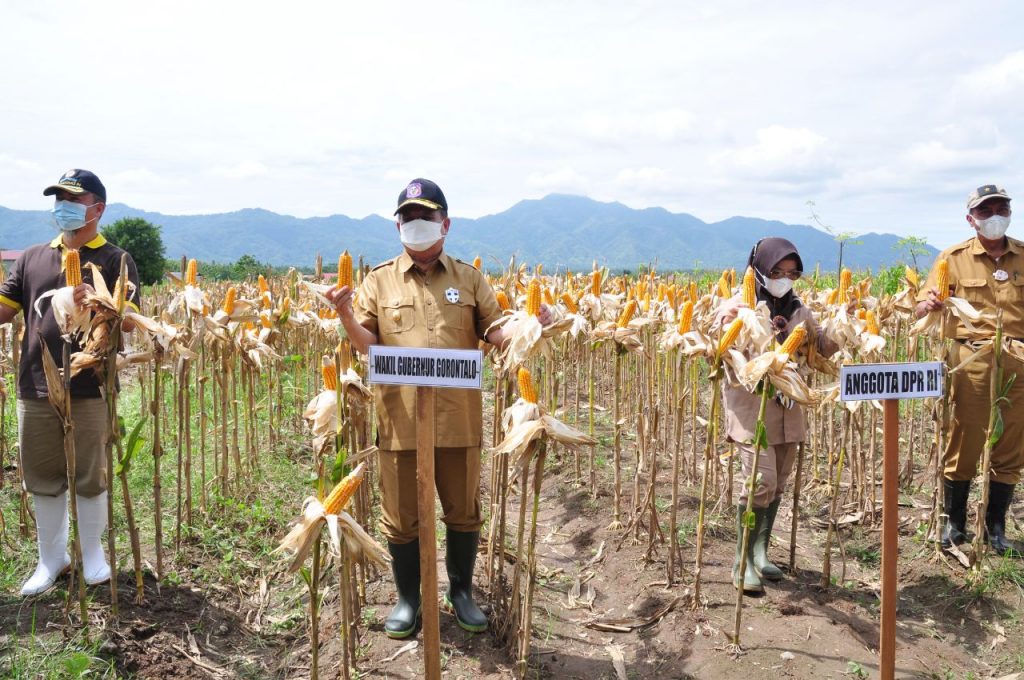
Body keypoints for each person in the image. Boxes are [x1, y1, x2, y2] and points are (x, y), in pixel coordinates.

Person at [327, 178, 547, 638]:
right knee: (401, 516)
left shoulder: (469, 278)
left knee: (462, 511)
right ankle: (409, 599)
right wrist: (346, 315)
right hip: (400, 421)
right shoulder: (378, 280)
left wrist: (529, 327)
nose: (416, 225)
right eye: (408, 217)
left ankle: (461, 591)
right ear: (397, 225)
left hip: (457, 419)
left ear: (445, 224)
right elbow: (368, 345)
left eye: (426, 217)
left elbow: (493, 332)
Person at [0, 169, 141, 596]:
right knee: (43, 475)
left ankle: (93, 555)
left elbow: (130, 324)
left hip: (90, 385)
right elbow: (5, 310)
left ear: (97, 209)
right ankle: (52, 560)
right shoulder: (33, 257)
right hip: (36, 385)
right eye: (58, 198)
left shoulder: (116, 260)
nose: (62, 207)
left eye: (72, 200)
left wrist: (99, 305)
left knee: (88, 473)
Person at [716, 237, 838, 593]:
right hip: (751, 406)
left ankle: (760, 551)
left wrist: (846, 328)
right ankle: (741, 562)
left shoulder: (799, 309)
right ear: (758, 269)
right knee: (760, 479)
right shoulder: (738, 306)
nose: (784, 278)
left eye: (791, 273)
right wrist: (730, 325)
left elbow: (820, 347)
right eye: (776, 271)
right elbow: (719, 345)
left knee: (779, 481)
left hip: (789, 407)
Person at [916, 184, 1024, 557]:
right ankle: (954, 523)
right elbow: (920, 309)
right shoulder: (953, 258)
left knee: (1011, 444)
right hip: (971, 361)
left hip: (1019, 360)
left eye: (1001, 208)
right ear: (971, 218)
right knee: (965, 439)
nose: (994, 215)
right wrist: (930, 303)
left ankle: (995, 527)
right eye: (985, 210)